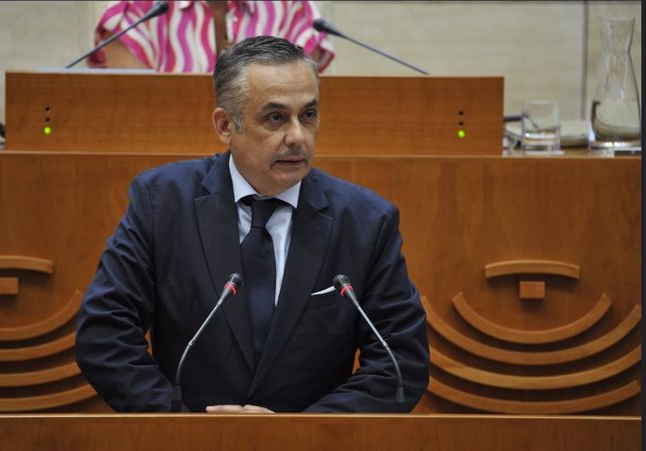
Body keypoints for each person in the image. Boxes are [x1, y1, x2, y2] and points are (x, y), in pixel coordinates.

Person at [75, 35, 429, 413]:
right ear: (226, 125)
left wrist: (297, 437)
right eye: (275, 117)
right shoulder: (162, 203)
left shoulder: (365, 221)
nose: (297, 136)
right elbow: (105, 335)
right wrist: (183, 428)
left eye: (308, 115)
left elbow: (399, 363)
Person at [87, 0, 335, 73]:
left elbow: (300, 102)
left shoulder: (293, 8)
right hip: (167, 165)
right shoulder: (135, 9)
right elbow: (130, 109)